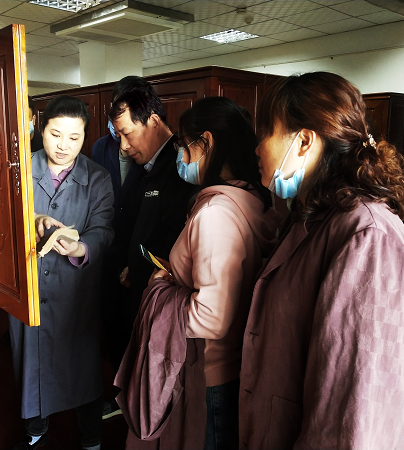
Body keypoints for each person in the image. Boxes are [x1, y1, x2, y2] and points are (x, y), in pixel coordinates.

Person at [238, 72, 404, 449]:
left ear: (304, 141)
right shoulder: (314, 215)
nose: (257, 148)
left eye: (267, 132)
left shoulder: (369, 239)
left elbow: (355, 416)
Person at [138, 97, 281, 450]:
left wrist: (161, 291)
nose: (181, 157)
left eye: (185, 146)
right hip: (236, 363)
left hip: (211, 370)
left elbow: (211, 317)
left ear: (207, 142)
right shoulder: (252, 197)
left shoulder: (215, 213)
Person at [9, 95, 114, 450]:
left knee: (82, 369)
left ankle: (92, 438)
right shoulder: (19, 169)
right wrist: (33, 220)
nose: (63, 146)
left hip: (75, 292)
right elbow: (1, 221)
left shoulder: (97, 178)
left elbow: (103, 230)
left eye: (74, 137)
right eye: (55, 135)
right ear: (41, 129)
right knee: (31, 366)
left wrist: (81, 248)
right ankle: (36, 431)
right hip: (30, 289)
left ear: (85, 136)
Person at [108, 76, 197, 327]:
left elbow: (175, 239)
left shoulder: (180, 167)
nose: (124, 146)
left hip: (162, 296)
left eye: (128, 134)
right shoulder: (147, 164)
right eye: (119, 136)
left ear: (154, 121)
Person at [91, 77, 147, 379]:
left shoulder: (152, 150)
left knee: (136, 327)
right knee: (110, 322)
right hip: (107, 252)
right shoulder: (101, 147)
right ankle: (116, 386)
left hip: (138, 255)